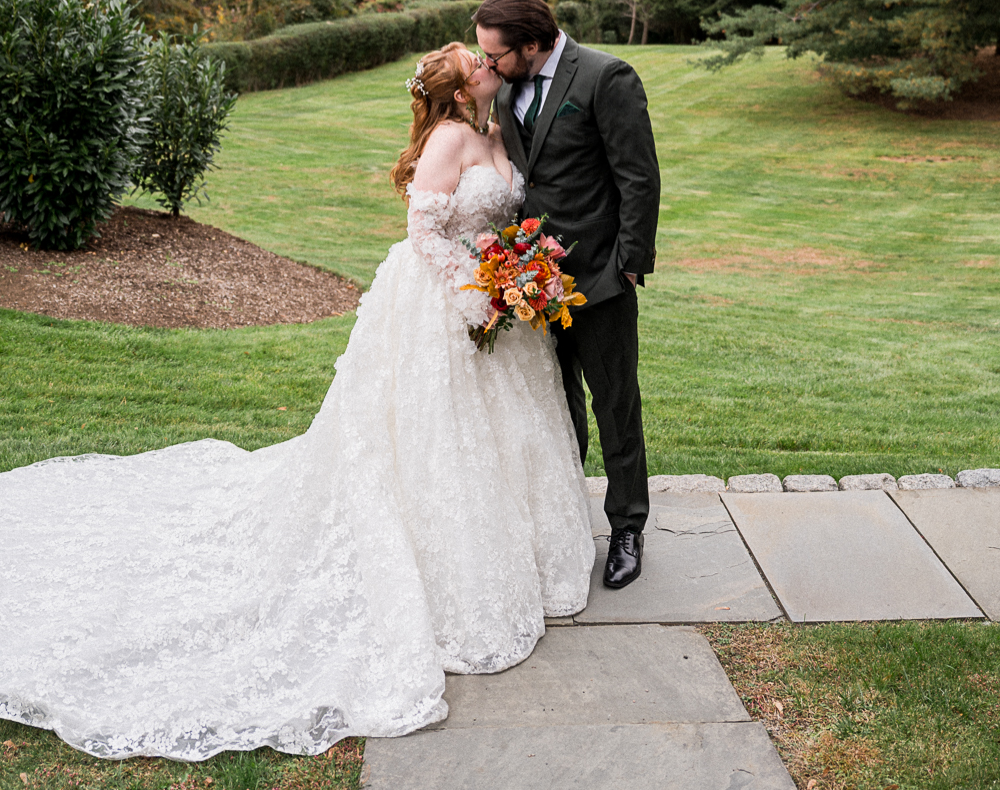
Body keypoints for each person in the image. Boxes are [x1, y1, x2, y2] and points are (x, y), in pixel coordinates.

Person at [0, 43, 594, 762]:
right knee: (439, 438)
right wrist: (477, 291)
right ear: (462, 86)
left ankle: (523, 554)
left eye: (489, 58)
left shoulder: (499, 132)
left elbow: (499, 212)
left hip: (499, 296)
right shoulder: (446, 138)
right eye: (480, 61)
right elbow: (422, 230)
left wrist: (511, 272)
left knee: (505, 435)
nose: (490, 64)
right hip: (445, 301)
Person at [473, 0, 660, 590]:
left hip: (601, 278)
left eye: (496, 55)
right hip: (530, 281)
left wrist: (629, 266)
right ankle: (564, 516)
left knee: (615, 405)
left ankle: (627, 526)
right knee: (556, 404)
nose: (488, 66)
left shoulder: (607, 77)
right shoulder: (504, 86)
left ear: (532, 44)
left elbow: (638, 176)